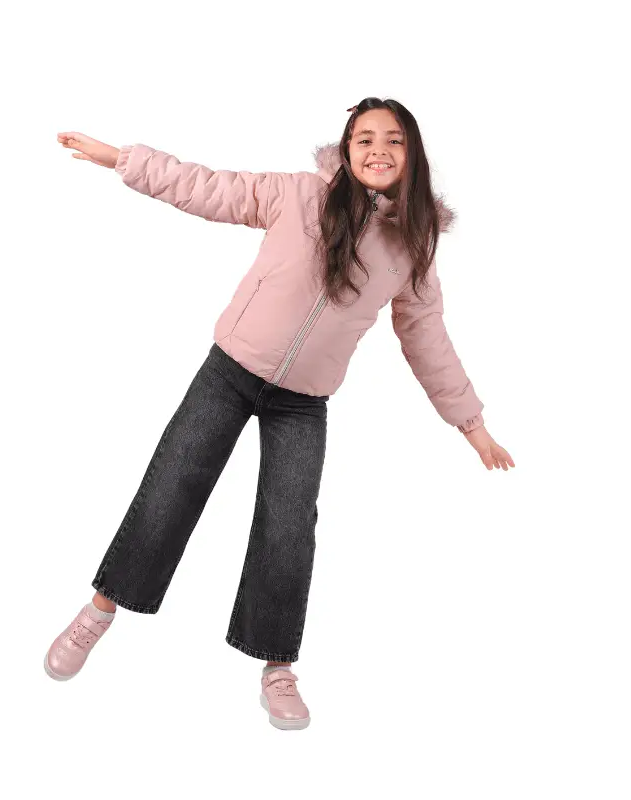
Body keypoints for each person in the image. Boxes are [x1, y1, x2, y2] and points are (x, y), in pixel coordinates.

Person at [45, 96, 515, 731]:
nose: (378, 150)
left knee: (289, 526)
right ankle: (100, 611)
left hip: (303, 403)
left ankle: (277, 667)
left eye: (394, 140)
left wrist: (472, 425)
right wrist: (122, 160)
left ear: (413, 155)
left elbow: (427, 336)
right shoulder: (297, 195)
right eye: (365, 138)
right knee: (172, 487)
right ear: (346, 149)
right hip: (229, 374)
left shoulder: (413, 247)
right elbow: (205, 187)